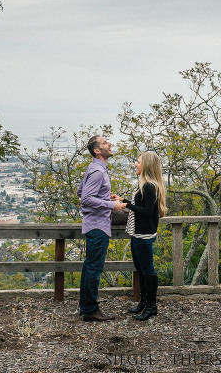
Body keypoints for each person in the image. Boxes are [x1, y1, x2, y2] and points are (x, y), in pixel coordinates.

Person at [112, 151, 167, 321]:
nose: (135, 164)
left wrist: (126, 204)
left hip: (143, 235)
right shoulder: (144, 185)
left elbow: (147, 211)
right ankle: (143, 303)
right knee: (141, 269)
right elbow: (140, 206)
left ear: (147, 166)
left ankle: (151, 306)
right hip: (137, 233)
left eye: (138, 162)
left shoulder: (149, 186)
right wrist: (123, 201)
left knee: (148, 270)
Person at [77, 135, 126, 322]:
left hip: (95, 224)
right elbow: (86, 199)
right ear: (97, 150)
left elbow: (81, 191)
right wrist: (112, 205)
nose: (110, 144)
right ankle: (90, 310)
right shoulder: (98, 171)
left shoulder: (95, 168)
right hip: (98, 225)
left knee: (90, 267)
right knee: (94, 269)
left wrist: (107, 198)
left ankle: (86, 307)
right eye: (105, 143)